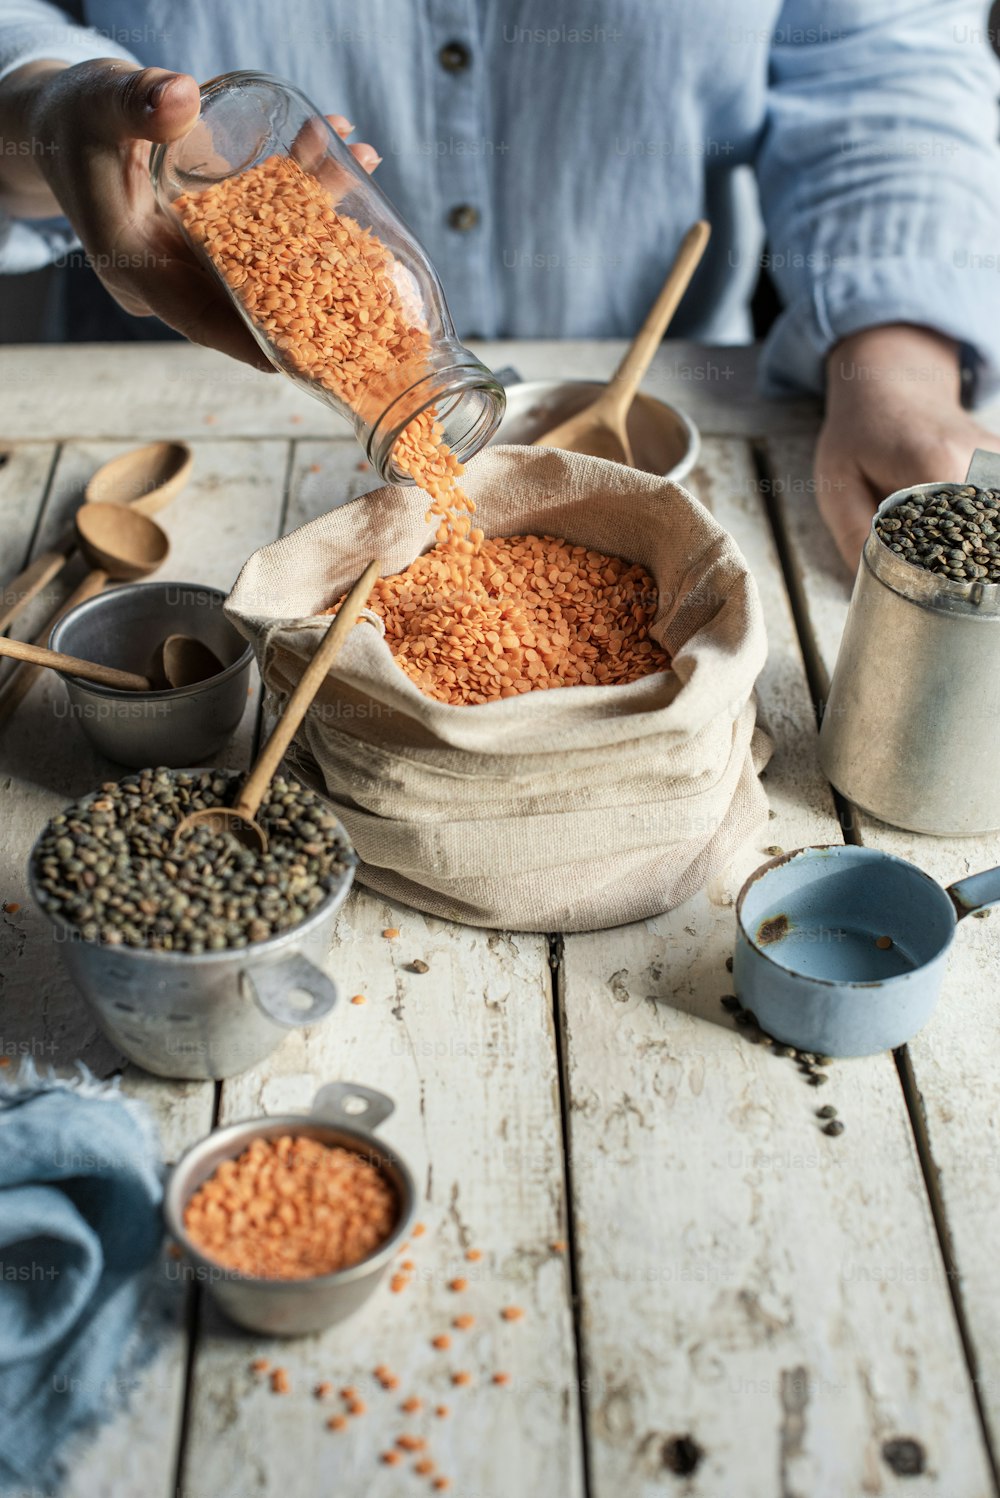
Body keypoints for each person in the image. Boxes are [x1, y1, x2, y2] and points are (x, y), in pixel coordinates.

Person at [1, 0, 999, 570]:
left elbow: (879, 57)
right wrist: (41, 101)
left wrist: (898, 363)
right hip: (175, 413)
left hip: (710, 392)